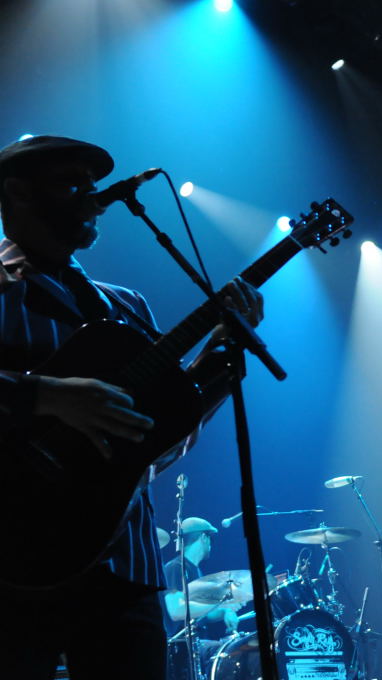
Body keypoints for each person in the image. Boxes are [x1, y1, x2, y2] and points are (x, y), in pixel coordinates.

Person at [0, 134, 262, 679]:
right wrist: (46, 396)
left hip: (123, 563)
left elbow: (156, 440)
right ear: (18, 194)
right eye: (71, 184)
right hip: (12, 553)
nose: (93, 199)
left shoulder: (126, 306)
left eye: (93, 186)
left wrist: (219, 359)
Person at [162, 517, 242, 679]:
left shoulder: (196, 572)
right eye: (210, 539)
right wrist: (221, 604)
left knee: (235, 646)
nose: (211, 544)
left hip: (197, 645)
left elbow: (202, 614)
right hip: (181, 648)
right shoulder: (175, 568)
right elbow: (177, 610)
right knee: (232, 652)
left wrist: (224, 612)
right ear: (204, 537)